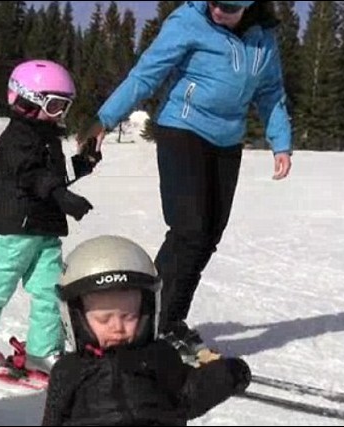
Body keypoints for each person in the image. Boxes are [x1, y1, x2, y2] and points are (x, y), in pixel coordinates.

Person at [77, 1, 293, 359]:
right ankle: (154, 323)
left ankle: (169, 319)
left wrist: (280, 142)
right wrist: (104, 120)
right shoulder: (188, 21)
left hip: (227, 141)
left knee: (209, 235)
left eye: (227, 5)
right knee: (189, 230)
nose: (217, 9)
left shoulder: (263, 38)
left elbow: (271, 92)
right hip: (183, 129)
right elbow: (145, 74)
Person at [0, 59, 94, 375]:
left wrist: (82, 164)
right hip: (17, 228)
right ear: (25, 101)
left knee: (52, 291)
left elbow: (54, 175)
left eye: (64, 107)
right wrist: (61, 196)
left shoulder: (47, 137)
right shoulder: (16, 138)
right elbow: (31, 175)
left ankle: (43, 349)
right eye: (53, 106)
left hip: (45, 228)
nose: (60, 115)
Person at [42, 235, 251, 426]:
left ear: (147, 313)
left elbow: (188, 393)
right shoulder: (69, 371)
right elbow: (53, 420)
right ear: (76, 319)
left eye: (129, 317)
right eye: (103, 319)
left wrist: (227, 375)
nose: (117, 328)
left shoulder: (160, 356)